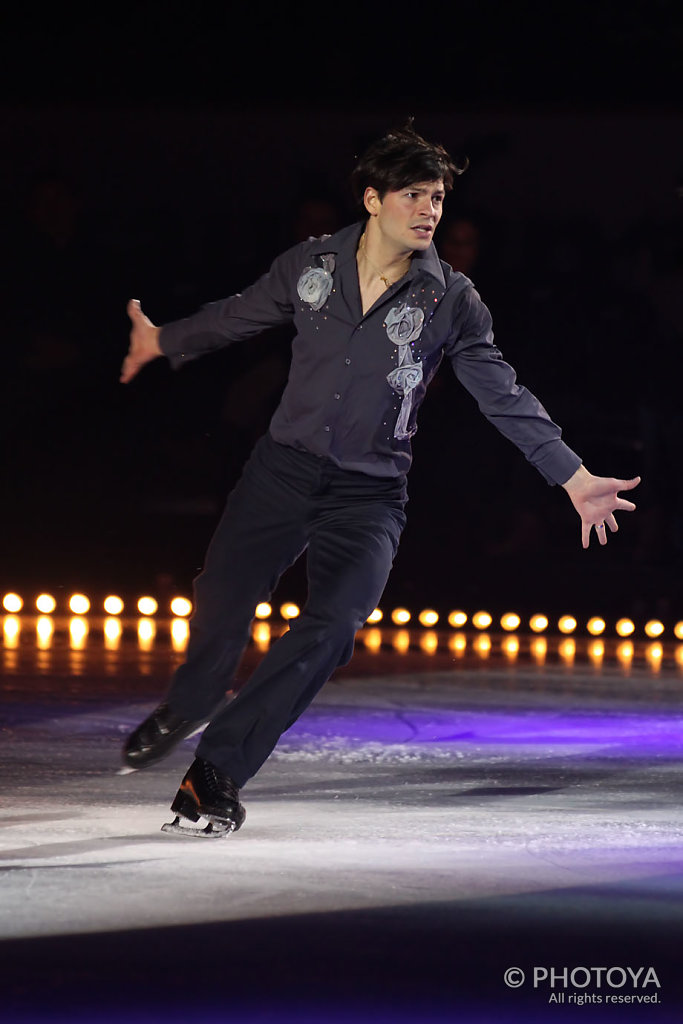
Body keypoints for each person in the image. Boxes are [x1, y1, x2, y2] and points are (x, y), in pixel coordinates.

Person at [119, 125, 639, 838]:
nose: (428, 211)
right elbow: (236, 315)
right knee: (224, 598)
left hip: (368, 495)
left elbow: (500, 391)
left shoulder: (450, 297)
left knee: (332, 626)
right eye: (412, 195)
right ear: (372, 199)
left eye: (437, 198)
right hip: (282, 472)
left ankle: (216, 770)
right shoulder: (311, 266)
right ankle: (191, 700)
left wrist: (570, 475)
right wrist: (162, 339)